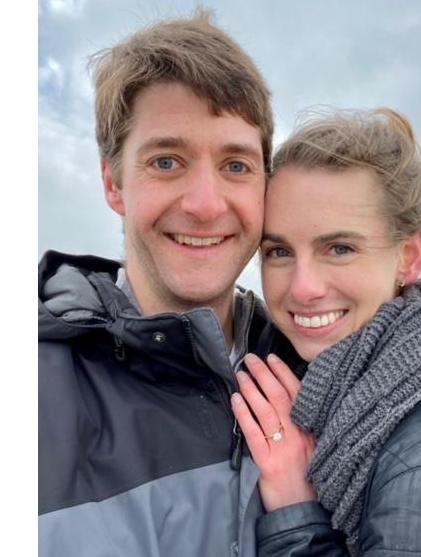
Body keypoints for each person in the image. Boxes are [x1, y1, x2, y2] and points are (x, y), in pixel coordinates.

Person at [38, 12, 284, 557]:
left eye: (236, 165)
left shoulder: (314, 365)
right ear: (113, 184)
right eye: (167, 161)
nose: (204, 204)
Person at [231, 108, 421, 556]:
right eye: (279, 251)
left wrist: (295, 511)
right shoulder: (342, 384)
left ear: (409, 255)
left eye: (340, 248)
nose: (302, 288)